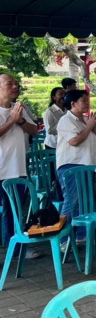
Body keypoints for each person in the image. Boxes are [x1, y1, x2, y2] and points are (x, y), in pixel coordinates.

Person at [56, 89, 96, 245]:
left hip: (88, 165)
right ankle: (62, 238)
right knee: (72, 201)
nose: (87, 103)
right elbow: (74, 141)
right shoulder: (66, 120)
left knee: (87, 200)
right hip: (71, 166)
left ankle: (81, 236)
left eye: (87, 99)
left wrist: (93, 127)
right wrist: (89, 126)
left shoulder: (86, 120)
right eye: (83, 100)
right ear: (73, 103)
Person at [0, 74, 38, 248]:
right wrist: (11, 121)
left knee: (15, 211)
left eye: (16, 84)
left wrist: (20, 120)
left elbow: (33, 130)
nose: (15, 87)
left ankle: (15, 247)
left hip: (18, 169)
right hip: (1, 169)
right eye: (10, 84)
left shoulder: (19, 108)